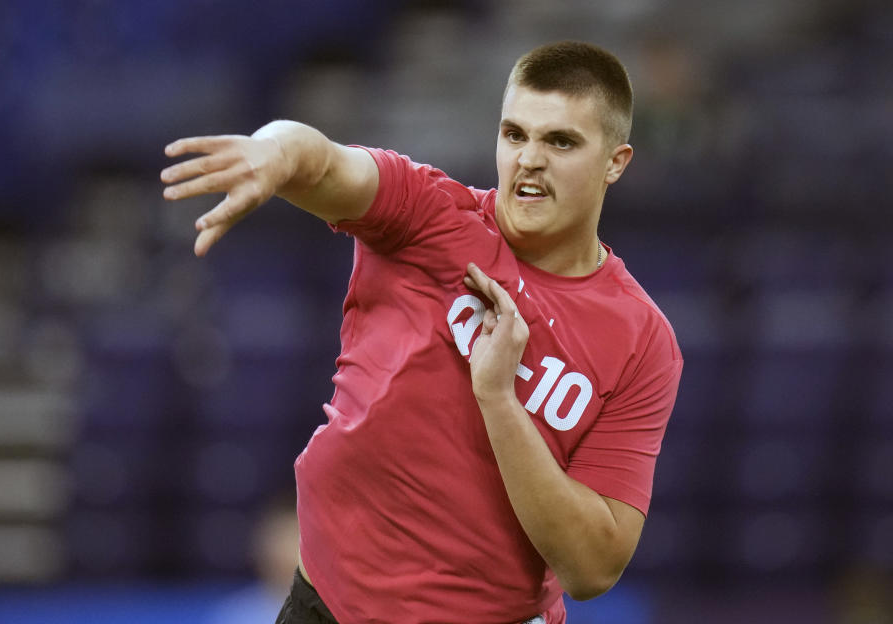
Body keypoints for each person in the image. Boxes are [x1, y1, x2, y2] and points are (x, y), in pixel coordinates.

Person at [161, 41, 682, 624]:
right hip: (328, 603)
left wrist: (499, 399)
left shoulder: (643, 343)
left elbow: (593, 568)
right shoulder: (431, 215)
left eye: (561, 141)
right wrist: (273, 153)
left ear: (616, 161)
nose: (529, 159)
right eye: (515, 135)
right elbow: (326, 162)